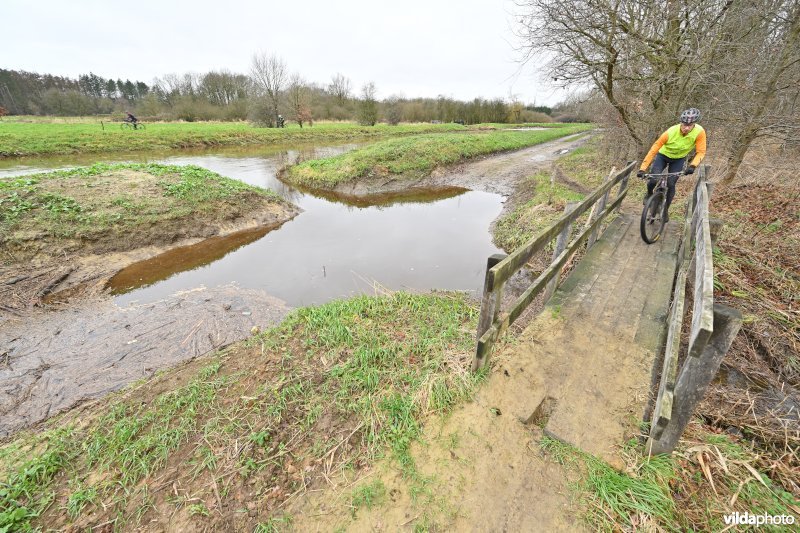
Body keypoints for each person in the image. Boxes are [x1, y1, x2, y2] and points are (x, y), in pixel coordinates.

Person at [637, 108, 706, 222]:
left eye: (690, 125)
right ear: (681, 123)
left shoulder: (699, 132)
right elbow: (653, 150)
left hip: (679, 159)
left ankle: (665, 211)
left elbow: (701, 151)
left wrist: (693, 165)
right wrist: (642, 169)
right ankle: (649, 193)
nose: (686, 128)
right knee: (653, 180)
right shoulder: (670, 132)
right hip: (662, 156)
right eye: (684, 125)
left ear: (694, 124)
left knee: (671, 184)